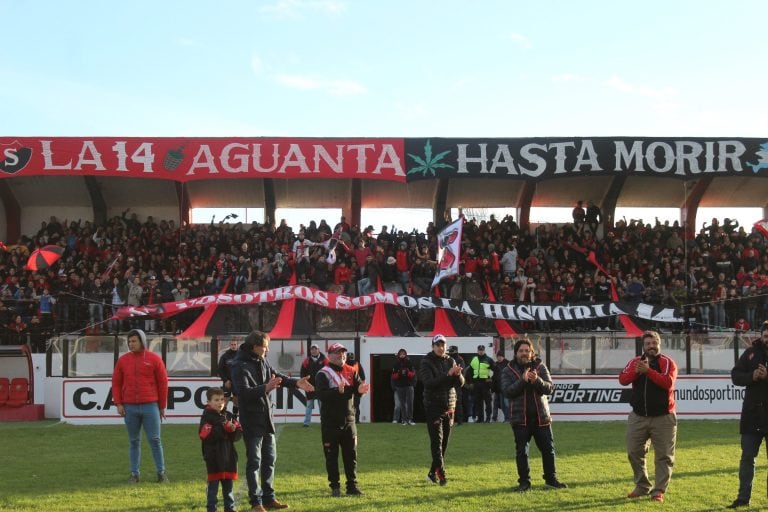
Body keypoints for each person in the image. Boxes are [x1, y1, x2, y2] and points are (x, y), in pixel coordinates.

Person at [230, 330, 314, 512]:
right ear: (255, 347)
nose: (268, 350)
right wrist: (265, 388)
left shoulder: (262, 360)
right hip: (252, 419)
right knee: (254, 462)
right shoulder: (238, 365)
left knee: (269, 460)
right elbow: (242, 393)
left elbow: (276, 377)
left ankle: (269, 498)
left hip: (267, 418)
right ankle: (256, 503)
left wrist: (296, 383)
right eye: (266, 347)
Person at [618, 330, 678, 503]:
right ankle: (642, 486)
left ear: (659, 344)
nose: (651, 346)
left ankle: (658, 491)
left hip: (664, 418)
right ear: (643, 346)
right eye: (648, 344)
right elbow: (622, 379)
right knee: (633, 451)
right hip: (638, 417)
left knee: (664, 456)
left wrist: (648, 371)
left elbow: (668, 383)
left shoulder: (668, 362)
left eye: (654, 343)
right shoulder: (635, 361)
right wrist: (638, 372)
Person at [501, 338, 567, 492]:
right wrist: (523, 380)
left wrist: (537, 380)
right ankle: (524, 483)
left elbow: (550, 388)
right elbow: (507, 392)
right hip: (520, 418)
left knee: (548, 450)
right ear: (516, 353)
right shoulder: (507, 370)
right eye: (521, 351)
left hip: (541, 417)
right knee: (522, 452)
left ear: (531, 352)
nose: (524, 353)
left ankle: (551, 480)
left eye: (527, 351)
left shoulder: (540, 366)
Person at [111, 328, 169, 483]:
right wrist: (118, 403)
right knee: (134, 441)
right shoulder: (123, 360)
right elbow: (116, 383)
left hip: (151, 405)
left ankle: (161, 473)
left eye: (134, 341)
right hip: (130, 407)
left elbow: (163, 384)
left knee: (155, 440)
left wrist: (162, 406)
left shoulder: (154, 359)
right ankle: (134, 474)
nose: (131, 344)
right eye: (129, 341)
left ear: (142, 341)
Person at [315, 342, 370, 497]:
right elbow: (321, 395)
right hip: (330, 423)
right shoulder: (323, 373)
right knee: (331, 457)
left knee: (351, 456)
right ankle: (335, 488)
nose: (342, 355)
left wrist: (361, 391)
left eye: (343, 353)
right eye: (338, 353)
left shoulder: (352, 371)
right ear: (329, 356)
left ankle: (352, 486)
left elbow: (358, 388)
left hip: (349, 420)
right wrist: (336, 392)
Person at [727, 321, 768, 509]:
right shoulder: (750, 353)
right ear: (761, 336)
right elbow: (735, 375)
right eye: (766, 335)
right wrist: (752, 376)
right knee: (747, 458)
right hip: (752, 415)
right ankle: (743, 498)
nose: (767, 338)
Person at [418, 334, 464, 486]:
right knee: (436, 442)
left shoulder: (451, 360)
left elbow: (460, 383)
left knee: (444, 443)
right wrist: (448, 374)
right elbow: (429, 383)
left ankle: (432, 473)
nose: (440, 347)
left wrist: (458, 375)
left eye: (443, 344)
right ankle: (441, 475)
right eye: (437, 345)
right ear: (432, 346)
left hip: (450, 406)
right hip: (434, 406)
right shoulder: (426, 362)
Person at [199, 387, 243, 512]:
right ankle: (211, 509)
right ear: (209, 402)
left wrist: (232, 430)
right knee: (212, 489)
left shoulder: (228, 415)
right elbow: (204, 435)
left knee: (228, 489)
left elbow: (239, 432)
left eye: (222, 399)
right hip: (213, 457)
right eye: (216, 400)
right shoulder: (207, 417)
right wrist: (224, 428)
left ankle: (230, 508)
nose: (220, 402)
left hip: (228, 457)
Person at [300, 343, 328, 427]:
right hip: (309, 386)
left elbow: (329, 372)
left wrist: (325, 383)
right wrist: (305, 383)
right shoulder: (306, 361)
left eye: (315, 349)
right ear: (310, 351)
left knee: (322, 406)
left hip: (321, 387)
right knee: (309, 405)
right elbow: (302, 374)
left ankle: (324, 422)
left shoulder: (325, 360)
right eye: (312, 349)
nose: (313, 350)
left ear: (318, 350)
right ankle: (306, 423)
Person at [469, 344, 494, 423]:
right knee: (478, 402)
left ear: (484, 350)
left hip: (485, 383)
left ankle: (488, 418)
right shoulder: (474, 359)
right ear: (477, 350)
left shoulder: (489, 359)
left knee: (487, 402)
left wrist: (491, 379)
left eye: (482, 350)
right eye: (479, 350)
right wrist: (471, 382)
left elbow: (496, 370)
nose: (481, 351)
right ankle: (480, 418)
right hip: (476, 383)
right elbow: (470, 372)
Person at [391, 348, 416, 425]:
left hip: (409, 386)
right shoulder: (396, 364)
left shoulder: (409, 363)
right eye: (401, 354)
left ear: (406, 354)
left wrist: (407, 372)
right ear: (398, 355)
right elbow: (393, 376)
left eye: (403, 354)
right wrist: (399, 373)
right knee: (402, 404)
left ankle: (410, 420)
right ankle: (404, 420)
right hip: (399, 386)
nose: (402, 355)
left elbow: (413, 374)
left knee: (410, 403)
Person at [218, 338, 240, 416]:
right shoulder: (225, 356)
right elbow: (220, 369)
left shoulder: (241, 355)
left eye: (235, 344)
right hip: (227, 382)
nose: (233, 346)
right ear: (229, 345)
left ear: (237, 345)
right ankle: (222, 418)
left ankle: (234, 418)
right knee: (225, 400)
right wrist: (225, 380)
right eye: (232, 344)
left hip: (237, 382)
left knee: (236, 401)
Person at [447, 345, 468, 424]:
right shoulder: (448, 359)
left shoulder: (460, 359)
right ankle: (449, 420)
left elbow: (461, 371)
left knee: (458, 402)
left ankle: (459, 420)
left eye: (451, 351)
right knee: (448, 402)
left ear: (455, 351)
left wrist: (454, 372)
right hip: (449, 383)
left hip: (457, 383)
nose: (449, 352)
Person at [346, 352, 366, 423]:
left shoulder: (357, 364)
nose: (350, 359)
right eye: (349, 357)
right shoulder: (343, 365)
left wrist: (362, 387)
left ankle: (356, 420)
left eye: (351, 357)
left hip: (357, 387)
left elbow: (363, 377)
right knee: (347, 404)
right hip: (347, 387)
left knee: (356, 404)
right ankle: (348, 420)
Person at [491, 349, 509, 422]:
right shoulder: (495, 364)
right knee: (495, 404)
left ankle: (507, 418)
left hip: (504, 388)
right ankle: (494, 418)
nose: (499, 358)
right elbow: (493, 376)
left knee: (504, 404)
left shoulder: (508, 364)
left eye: (500, 356)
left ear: (503, 357)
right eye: (498, 356)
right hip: (496, 388)